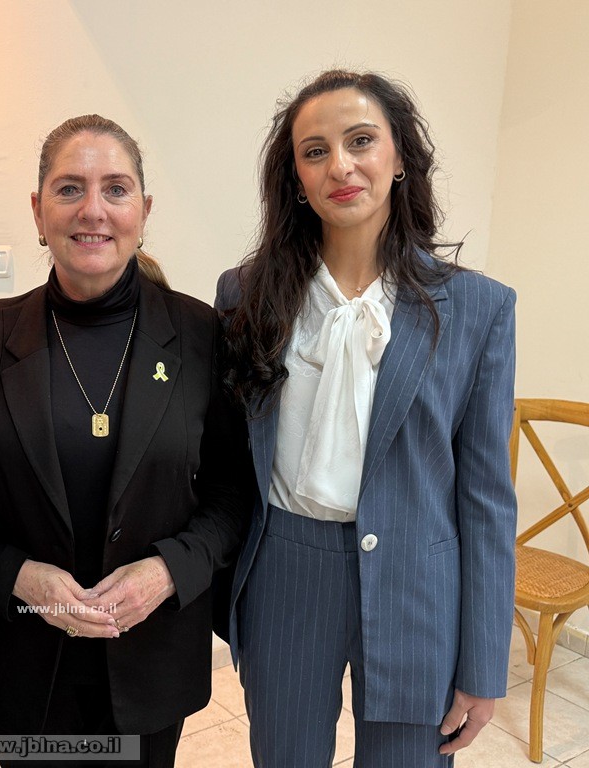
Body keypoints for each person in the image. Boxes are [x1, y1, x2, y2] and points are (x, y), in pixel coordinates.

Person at [216, 69, 517, 767]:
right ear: (295, 178)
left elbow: (486, 498)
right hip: (286, 570)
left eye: (360, 141)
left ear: (399, 156)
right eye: (314, 151)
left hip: (418, 580)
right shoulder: (245, 295)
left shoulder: (479, 309)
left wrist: (483, 663)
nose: (340, 166)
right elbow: (229, 456)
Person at [0, 114, 247, 767]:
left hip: (151, 661)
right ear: (38, 210)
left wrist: (167, 571)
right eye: (70, 188)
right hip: (23, 662)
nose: (93, 210)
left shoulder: (199, 334)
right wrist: (19, 578)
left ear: (144, 211)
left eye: (116, 188)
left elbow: (232, 495)